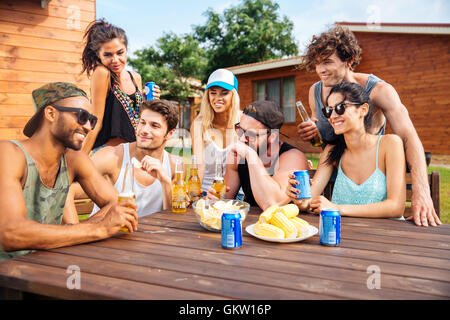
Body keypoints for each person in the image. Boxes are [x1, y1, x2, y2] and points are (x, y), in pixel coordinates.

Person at [297, 25, 441, 226]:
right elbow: (323, 138)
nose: (320, 70)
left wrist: (422, 190)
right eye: (316, 63)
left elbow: (409, 137)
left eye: (327, 62)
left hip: (375, 185)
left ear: (349, 61)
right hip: (334, 179)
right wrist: (314, 132)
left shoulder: (379, 91)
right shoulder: (316, 91)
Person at [0, 82, 138, 262]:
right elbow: (11, 233)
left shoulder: (74, 158)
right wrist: (98, 229)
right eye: (82, 116)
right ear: (51, 114)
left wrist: (80, 231)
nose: (89, 126)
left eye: (92, 120)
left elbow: (117, 204)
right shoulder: (9, 154)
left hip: (42, 269)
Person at [287, 82, 406, 218]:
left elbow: (396, 207)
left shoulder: (389, 144)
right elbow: (309, 200)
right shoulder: (332, 151)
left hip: (388, 235)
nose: (332, 116)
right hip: (345, 235)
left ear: (363, 110)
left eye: (339, 108)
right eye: (328, 110)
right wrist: (300, 200)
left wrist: (337, 208)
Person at [63, 99, 182, 218]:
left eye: (154, 126)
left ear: (170, 133)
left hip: (151, 235)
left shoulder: (174, 165)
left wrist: (165, 182)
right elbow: (66, 190)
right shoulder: (110, 157)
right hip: (110, 234)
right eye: (142, 122)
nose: (144, 130)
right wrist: (74, 229)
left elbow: (173, 220)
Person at [208, 100, 309, 210]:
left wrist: (251, 156)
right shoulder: (238, 157)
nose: (241, 138)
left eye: (250, 134)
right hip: (249, 222)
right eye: (240, 129)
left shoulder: (293, 157)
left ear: (273, 136)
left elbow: (272, 204)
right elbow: (224, 199)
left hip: (286, 225)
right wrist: (214, 198)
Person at [80, 19, 160, 154]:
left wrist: (149, 102)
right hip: (108, 154)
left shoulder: (136, 77)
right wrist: (79, 161)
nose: (115, 60)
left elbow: (139, 119)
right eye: (108, 55)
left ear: (126, 50)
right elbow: (96, 122)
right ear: (98, 55)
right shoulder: (102, 73)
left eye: (120, 52)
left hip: (134, 152)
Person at [190, 69, 241, 194]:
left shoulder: (245, 121)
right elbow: (199, 166)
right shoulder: (199, 124)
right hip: (207, 193)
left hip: (238, 195)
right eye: (213, 93)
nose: (217, 98)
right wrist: (193, 193)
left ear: (233, 95)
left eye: (224, 93)